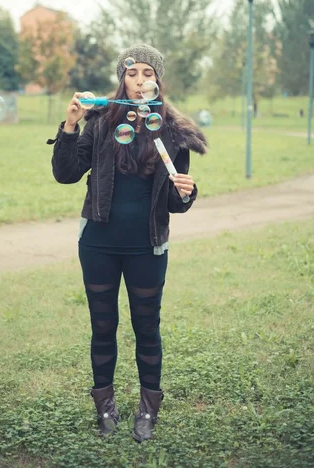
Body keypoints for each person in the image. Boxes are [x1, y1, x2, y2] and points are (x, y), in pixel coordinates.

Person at [47, 43, 208, 442]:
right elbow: (66, 173)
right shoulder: (101, 120)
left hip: (147, 245)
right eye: (132, 73)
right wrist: (69, 126)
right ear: (122, 78)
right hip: (99, 242)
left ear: (157, 81)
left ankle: (147, 412)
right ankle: (105, 408)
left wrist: (186, 192)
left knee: (147, 327)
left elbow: (174, 201)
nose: (139, 81)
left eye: (147, 74)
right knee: (103, 327)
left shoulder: (172, 130)